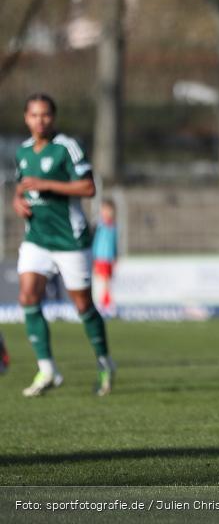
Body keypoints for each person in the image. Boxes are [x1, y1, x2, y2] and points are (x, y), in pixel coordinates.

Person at [13, 93, 115, 397]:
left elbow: (88, 187)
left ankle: (105, 362)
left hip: (70, 239)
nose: (39, 120)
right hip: (37, 238)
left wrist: (47, 185)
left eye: (45, 115)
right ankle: (47, 370)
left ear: (53, 118)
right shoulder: (23, 151)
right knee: (28, 296)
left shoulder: (67, 148)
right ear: (26, 118)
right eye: (33, 115)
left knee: (82, 304)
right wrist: (17, 200)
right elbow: (22, 186)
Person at [92, 198, 118, 313]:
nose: (107, 213)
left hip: (108, 259)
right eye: (104, 210)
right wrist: (93, 257)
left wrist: (115, 257)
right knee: (101, 281)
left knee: (107, 282)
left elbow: (114, 244)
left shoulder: (113, 227)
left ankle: (106, 303)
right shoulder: (99, 226)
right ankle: (102, 303)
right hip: (100, 258)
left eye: (109, 210)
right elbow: (96, 242)